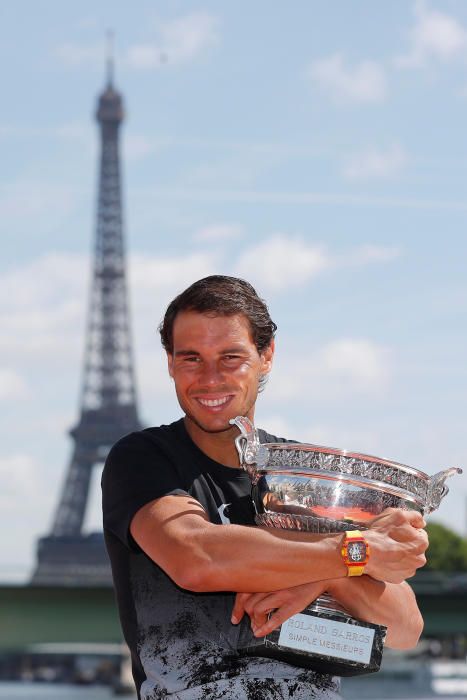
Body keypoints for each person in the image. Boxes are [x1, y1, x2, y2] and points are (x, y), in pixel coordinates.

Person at [102, 275, 428, 700]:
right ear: (169, 362)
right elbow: (196, 557)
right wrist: (352, 553)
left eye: (231, 357)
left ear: (267, 355)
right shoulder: (143, 458)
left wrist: (324, 574)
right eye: (191, 359)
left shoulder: (307, 474)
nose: (210, 378)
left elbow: (406, 628)